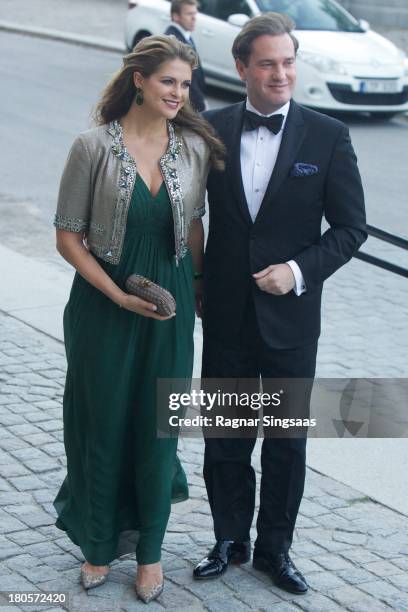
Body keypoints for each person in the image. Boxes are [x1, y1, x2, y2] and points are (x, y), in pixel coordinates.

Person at [193, 13, 367, 594]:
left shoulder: (327, 135)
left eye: (288, 62)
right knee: (227, 435)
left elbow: (350, 229)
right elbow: (185, 213)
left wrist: (296, 271)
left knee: (287, 442)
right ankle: (227, 539)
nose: (280, 73)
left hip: (291, 318)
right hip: (224, 314)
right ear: (241, 67)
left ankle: (276, 550)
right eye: (267, 63)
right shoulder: (209, 129)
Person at [52, 35, 224, 604]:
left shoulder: (194, 148)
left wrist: (197, 288)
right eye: (168, 81)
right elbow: (68, 238)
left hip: (169, 305)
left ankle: (150, 553)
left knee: (159, 427)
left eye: (185, 83)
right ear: (140, 82)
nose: (179, 92)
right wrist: (118, 296)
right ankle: (98, 544)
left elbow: (194, 226)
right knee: (99, 423)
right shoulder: (92, 147)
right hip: (103, 304)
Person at [165, 0, 206, 112]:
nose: (194, 18)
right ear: (175, 16)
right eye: (189, 14)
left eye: (195, 14)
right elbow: (186, 78)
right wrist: (201, 105)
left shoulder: (186, 36)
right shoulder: (174, 41)